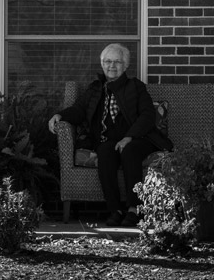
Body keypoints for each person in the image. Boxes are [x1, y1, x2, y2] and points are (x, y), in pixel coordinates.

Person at [48, 43, 173, 227]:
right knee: (105, 152)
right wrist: (60, 115)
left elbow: (147, 116)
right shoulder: (96, 88)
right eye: (107, 61)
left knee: (129, 151)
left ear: (126, 65)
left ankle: (134, 209)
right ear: (102, 64)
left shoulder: (136, 87)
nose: (112, 66)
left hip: (139, 139)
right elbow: (79, 110)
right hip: (109, 140)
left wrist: (129, 137)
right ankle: (115, 210)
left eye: (117, 62)